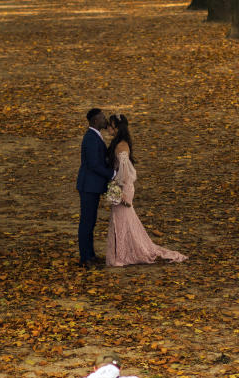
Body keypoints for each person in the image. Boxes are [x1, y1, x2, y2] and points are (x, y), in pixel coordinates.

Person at [105, 115, 187, 267]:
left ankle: (124, 254)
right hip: (120, 186)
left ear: (116, 127)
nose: (108, 128)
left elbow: (125, 172)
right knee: (123, 219)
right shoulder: (119, 143)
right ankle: (124, 251)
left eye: (110, 125)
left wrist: (119, 190)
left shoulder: (121, 146)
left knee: (122, 219)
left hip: (123, 186)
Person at [76, 108, 115, 267]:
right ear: (95, 121)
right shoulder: (91, 138)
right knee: (86, 222)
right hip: (88, 186)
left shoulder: (95, 136)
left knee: (90, 222)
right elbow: (94, 164)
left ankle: (90, 255)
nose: (105, 120)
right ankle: (85, 258)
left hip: (92, 185)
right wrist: (112, 174)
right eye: (102, 118)